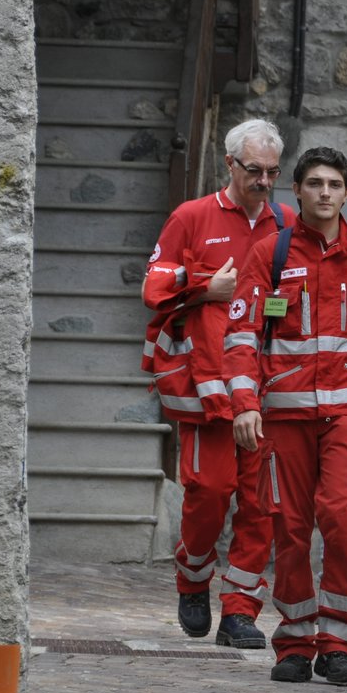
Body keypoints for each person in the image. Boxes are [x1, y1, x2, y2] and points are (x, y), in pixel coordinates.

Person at [223, 147, 347, 686]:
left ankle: (338, 643)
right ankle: (295, 641)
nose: (324, 193)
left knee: (345, 519)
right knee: (289, 528)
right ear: (298, 191)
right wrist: (244, 405)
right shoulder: (269, 254)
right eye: (314, 183)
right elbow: (239, 338)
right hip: (284, 420)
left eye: (334, 184)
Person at [141, 119, 292, 650]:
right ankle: (192, 575)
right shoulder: (192, 217)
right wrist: (206, 286)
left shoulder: (285, 224)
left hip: (267, 384)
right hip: (205, 384)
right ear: (230, 165)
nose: (265, 181)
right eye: (255, 170)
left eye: (274, 171)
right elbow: (153, 287)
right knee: (209, 491)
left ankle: (240, 610)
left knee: (260, 502)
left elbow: (291, 299)